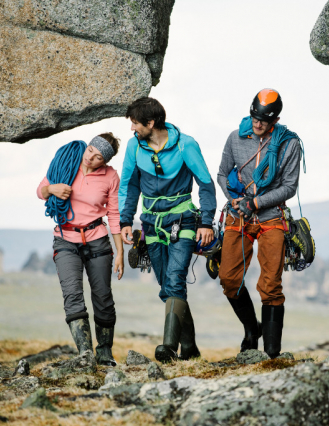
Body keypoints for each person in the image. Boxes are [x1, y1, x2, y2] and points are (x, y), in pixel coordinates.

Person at [119, 97, 217, 362]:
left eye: (136, 123)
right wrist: (125, 221)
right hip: (150, 223)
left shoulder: (186, 145)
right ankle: (191, 349)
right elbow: (129, 186)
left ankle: (169, 348)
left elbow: (206, 185)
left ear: (151, 123)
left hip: (183, 221)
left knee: (174, 280)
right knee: (167, 286)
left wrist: (206, 223)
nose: (132, 129)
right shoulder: (134, 147)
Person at [217, 89, 301, 359]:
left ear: (275, 119)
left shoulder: (289, 145)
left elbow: (289, 187)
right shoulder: (235, 137)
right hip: (238, 215)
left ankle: (272, 355)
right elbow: (221, 173)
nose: (258, 123)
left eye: (264, 119)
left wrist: (256, 203)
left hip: (271, 216)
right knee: (229, 278)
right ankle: (252, 329)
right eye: (255, 116)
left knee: (270, 285)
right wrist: (235, 200)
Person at [37, 133, 124, 367]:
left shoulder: (111, 177)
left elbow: (114, 214)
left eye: (98, 157)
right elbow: (40, 191)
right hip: (65, 239)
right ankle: (85, 353)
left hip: (97, 240)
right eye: (90, 151)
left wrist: (120, 253)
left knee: (103, 297)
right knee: (73, 295)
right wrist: (52, 189)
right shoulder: (68, 162)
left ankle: (104, 352)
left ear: (104, 161)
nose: (91, 158)